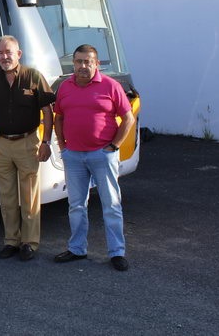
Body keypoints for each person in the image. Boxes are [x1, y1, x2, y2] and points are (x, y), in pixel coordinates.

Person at [53, 44, 136, 271]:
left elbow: (128, 118)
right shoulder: (65, 87)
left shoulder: (111, 86)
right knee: (76, 205)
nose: (82, 66)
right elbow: (58, 117)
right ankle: (77, 249)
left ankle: (117, 252)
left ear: (96, 63)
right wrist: (63, 146)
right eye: (78, 62)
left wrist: (115, 145)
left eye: (87, 62)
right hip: (74, 157)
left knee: (111, 205)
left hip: (103, 154)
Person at [0, 35, 54, 262]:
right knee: (7, 197)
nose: (4, 57)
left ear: (18, 54)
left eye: (8, 52)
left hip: (28, 142)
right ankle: (11, 241)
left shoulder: (34, 76)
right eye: (0, 53)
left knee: (29, 196)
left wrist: (46, 141)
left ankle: (29, 243)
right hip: (0, 144)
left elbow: (48, 111)